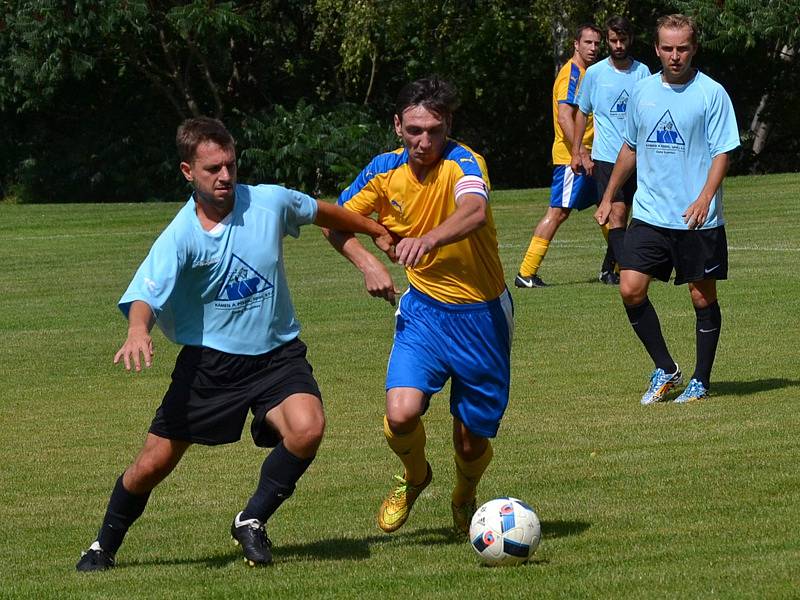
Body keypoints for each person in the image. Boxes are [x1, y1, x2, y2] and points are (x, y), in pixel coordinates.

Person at [76, 117, 394, 571]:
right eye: (212, 169)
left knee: (308, 428)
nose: (225, 176)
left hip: (277, 356)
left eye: (230, 165)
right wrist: (137, 329)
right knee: (151, 465)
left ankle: (252, 519)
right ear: (188, 172)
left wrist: (371, 232)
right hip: (212, 367)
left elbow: (321, 211)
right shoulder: (181, 235)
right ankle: (102, 546)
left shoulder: (267, 202)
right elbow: (146, 293)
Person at [324, 77, 513, 536]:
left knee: (469, 445)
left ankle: (465, 495)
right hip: (425, 312)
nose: (424, 140)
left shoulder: (465, 162)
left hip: (482, 316)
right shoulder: (383, 172)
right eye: (414, 130)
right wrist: (369, 258)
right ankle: (414, 477)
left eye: (433, 129)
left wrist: (426, 239)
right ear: (397, 126)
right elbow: (334, 218)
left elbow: (473, 211)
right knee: (400, 412)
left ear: (448, 125)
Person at [595, 14, 739, 404]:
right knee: (630, 288)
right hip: (649, 213)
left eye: (683, 48)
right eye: (668, 48)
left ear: (693, 49)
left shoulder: (712, 93)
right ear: (657, 49)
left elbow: (724, 151)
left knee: (701, 297)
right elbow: (630, 148)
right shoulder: (642, 92)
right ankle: (666, 369)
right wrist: (609, 196)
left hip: (696, 218)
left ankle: (701, 380)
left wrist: (705, 197)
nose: (675, 56)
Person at [515, 23, 609, 288]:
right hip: (573, 159)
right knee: (558, 213)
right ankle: (526, 272)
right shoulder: (571, 75)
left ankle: (618, 266)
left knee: (608, 207)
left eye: (596, 44)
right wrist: (580, 152)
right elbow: (564, 116)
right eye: (588, 43)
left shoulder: (588, 73)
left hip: (590, 155)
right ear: (575, 44)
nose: (593, 48)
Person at [571, 15, 651, 285]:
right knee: (616, 213)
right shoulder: (595, 74)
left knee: (628, 214)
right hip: (606, 156)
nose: (618, 45)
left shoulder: (642, 73)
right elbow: (581, 113)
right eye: (613, 40)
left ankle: (609, 268)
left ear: (630, 39)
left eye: (622, 40)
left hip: (636, 156)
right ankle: (629, 270)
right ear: (608, 41)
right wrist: (577, 150)